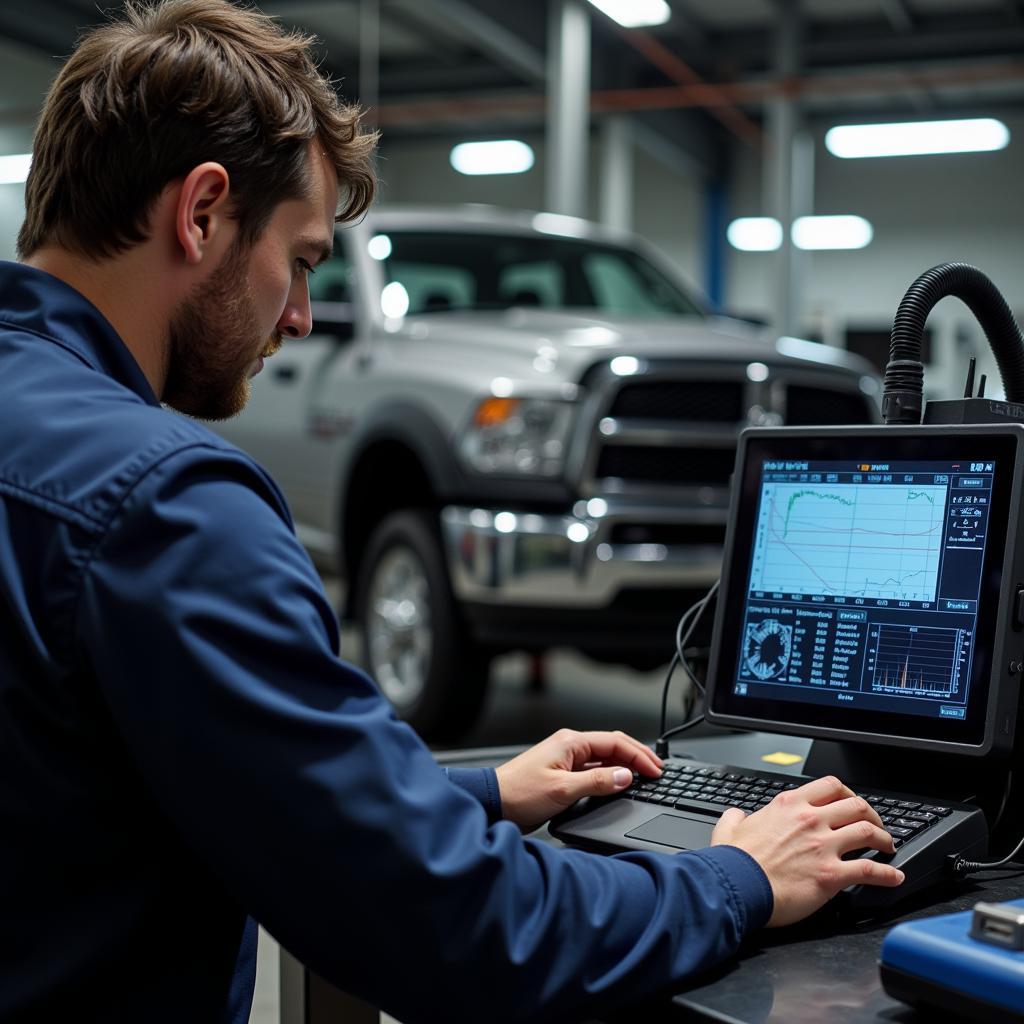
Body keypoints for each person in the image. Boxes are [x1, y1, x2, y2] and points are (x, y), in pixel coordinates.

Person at [0, 1, 904, 1021]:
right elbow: (453, 923)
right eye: (298, 260)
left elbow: (137, 766)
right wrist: (735, 875)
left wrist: (468, 794)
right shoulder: (166, 504)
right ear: (202, 211)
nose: (298, 316)